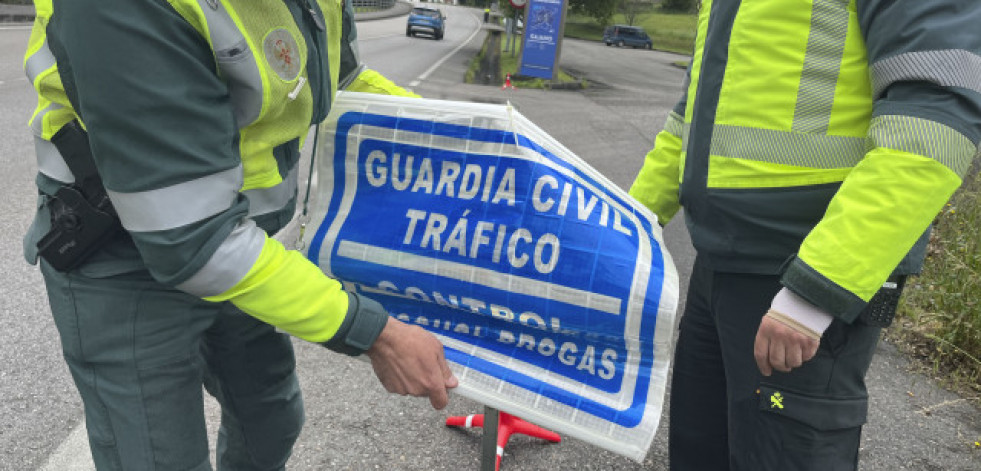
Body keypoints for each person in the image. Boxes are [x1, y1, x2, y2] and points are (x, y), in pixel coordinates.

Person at [22, 0, 457, 469]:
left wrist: (472, 137)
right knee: (157, 457)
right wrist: (379, 335)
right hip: (123, 257)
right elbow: (193, 240)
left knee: (271, 418)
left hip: (238, 240)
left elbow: (342, 79)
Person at [628, 1, 980, 470]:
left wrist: (815, 290)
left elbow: (931, 127)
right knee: (700, 452)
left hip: (802, 269)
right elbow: (692, 115)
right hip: (718, 265)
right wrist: (626, 223)